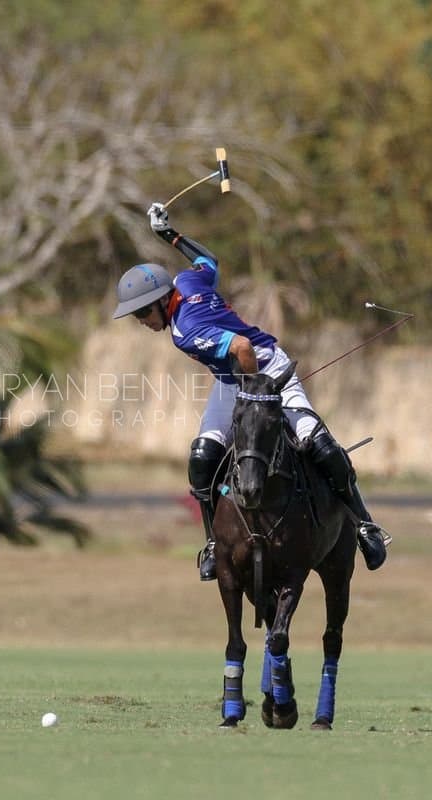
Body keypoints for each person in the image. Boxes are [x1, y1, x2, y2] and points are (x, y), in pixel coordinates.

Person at [111, 202, 389, 580]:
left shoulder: (186, 331)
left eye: (142, 312)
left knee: (318, 443)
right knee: (202, 455)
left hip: (267, 369)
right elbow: (209, 260)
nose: (141, 321)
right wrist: (169, 235)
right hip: (232, 381)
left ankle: (364, 526)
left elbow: (242, 346)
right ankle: (213, 542)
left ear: (162, 302)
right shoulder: (186, 283)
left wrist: (257, 393)